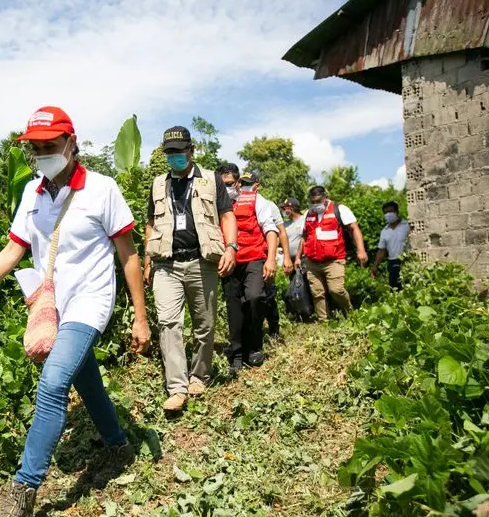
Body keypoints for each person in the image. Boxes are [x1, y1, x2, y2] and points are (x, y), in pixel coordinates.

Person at [0, 106, 150, 517]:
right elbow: (14, 249)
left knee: (53, 383)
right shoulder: (31, 193)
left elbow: (128, 255)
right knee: (86, 378)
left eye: (49, 146)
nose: (42, 154)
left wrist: (140, 316)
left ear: (71, 143)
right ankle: (118, 446)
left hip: (91, 301)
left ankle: (21, 494)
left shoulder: (102, 189)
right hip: (53, 303)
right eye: (35, 147)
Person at [143, 125, 238, 412]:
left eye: (179, 151)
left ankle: (199, 376)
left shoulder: (211, 180)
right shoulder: (159, 184)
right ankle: (177, 387)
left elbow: (227, 215)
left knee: (204, 325)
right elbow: (150, 224)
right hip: (166, 264)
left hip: (202, 262)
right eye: (169, 152)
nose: (174, 157)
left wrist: (231, 247)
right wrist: (148, 259)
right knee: (168, 323)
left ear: (191, 150)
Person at [217, 165, 284, 372]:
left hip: (254, 259)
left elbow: (271, 230)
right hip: (229, 262)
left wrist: (271, 259)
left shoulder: (256, 200)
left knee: (255, 298)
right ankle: (237, 353)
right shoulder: (216, 204)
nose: (225, 189)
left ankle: (255, 345)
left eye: (228, 184)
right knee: (234, 307)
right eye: (222, 185)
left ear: (237, 183)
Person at [293, 186, 369, 321]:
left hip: (334, 260)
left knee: (336, 290)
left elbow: (354, 228)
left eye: (318, 201)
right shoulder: (308, 214)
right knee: (317, 293)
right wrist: (298, 257)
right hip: (312, 261)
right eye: (313, 202)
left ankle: (350, 315)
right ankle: (324, 320)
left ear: (325, 196)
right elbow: (304, 237)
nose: (316, 204)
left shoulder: (339, 209)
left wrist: (361, 250)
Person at [371, 201, 410, 290]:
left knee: (409, 286)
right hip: (393, 263)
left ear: (397, 212)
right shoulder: (384, 231)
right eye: (386, 212)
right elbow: (381, 250)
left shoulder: (407, 226)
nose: (388, 214)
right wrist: (375, 266)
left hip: (407, 261)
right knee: (395, 288)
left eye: (391, 211)